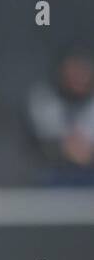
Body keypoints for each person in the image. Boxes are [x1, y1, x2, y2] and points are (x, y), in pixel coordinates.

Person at [26, 49, 94, 184]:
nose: (78, 77)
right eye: (73, 71)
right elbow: (40, 144)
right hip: (52, 176)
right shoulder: (44, 98)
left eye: (83, 72)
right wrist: (65, 149)